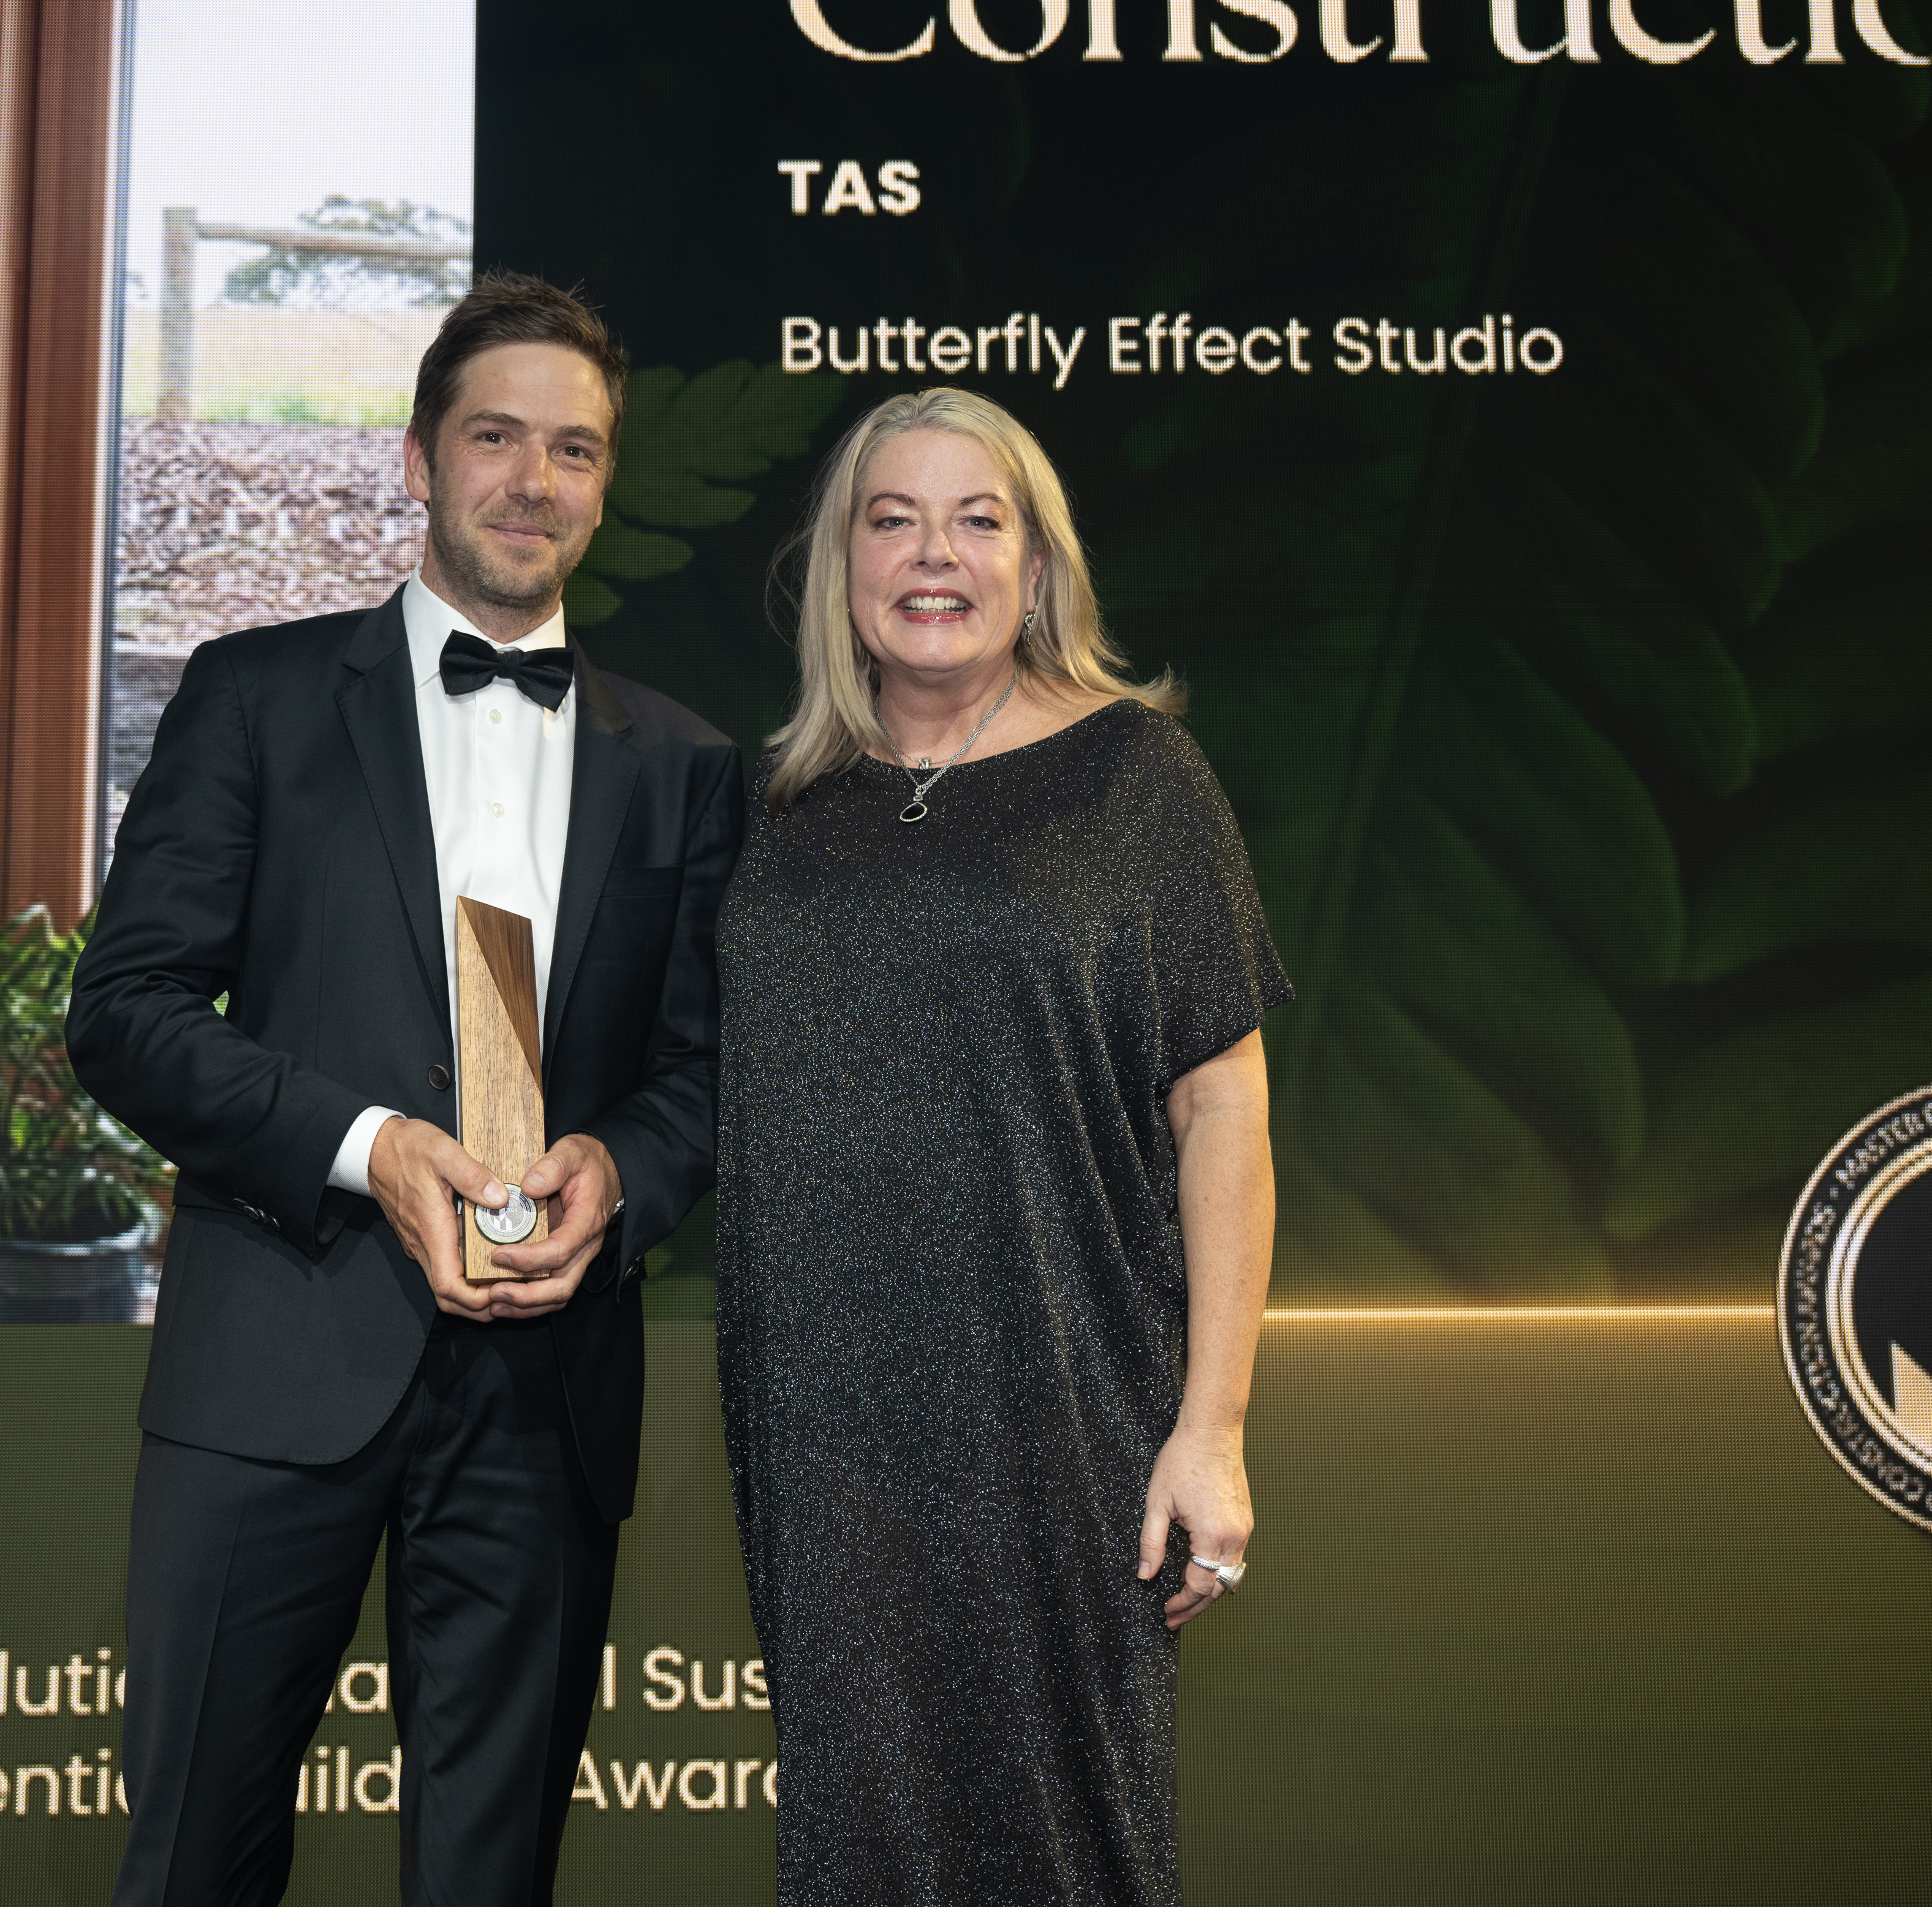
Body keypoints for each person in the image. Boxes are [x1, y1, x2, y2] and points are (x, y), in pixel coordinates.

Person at [67, 272, 742, 1907]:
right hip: (272, 1365)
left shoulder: (688, 762)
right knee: (192, 1865)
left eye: (574, 450)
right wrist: (374, 1150)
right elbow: (128, 1014)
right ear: (419, 459)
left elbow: (701, 1076)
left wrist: (614, 1175)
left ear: (602, 481)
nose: (534, 479)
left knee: (490, 1878)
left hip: (543, 1397)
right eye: (496, 436)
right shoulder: (255, 694)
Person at [714, 386, 1289, 1905]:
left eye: (980, 519)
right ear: (843, 563)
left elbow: (1224, 1103)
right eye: (891, 518)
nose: (934, 553)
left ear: (1039, 566)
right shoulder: (787, 808)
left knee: (1067, 1847)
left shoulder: (1137, 778)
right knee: (856, 1853)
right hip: (828, 1440)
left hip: (1064, 1414)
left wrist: (1211, 1426)